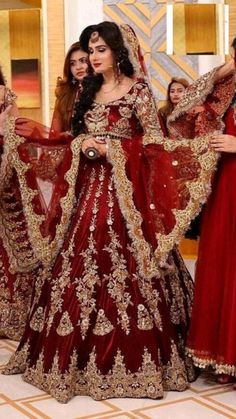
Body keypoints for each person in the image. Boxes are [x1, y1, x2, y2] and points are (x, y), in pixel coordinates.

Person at [1, 22, 223, 403]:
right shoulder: (88, 91)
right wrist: (84, 144)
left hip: (127, 197)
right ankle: (66, 361)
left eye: (101, 48)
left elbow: (153, 144)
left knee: (132, 263)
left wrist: (114, 151)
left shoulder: (136, 92)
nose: (94, 56)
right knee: (74, 262)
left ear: (118, 51)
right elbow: (73, 137)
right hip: (87, 188)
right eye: (91, 49)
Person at [185, 56, 236, 383]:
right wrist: (220, 72)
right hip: (225, 188)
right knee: (222, 262)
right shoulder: (226, 91)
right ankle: (223, 355)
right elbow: (184, 106)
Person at [51, 41, 88, 133]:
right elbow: (54, 135)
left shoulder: (104, 90)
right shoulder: (65, 95)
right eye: (72, 63)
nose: (78, 67)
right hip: (68, 146)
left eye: (83, 61)